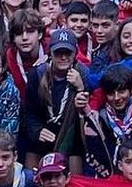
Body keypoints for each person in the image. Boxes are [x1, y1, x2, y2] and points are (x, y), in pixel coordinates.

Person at [22, 30, 86, 166]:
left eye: (68, 53)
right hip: (42, 135)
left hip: (71, 137)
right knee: (32, 179)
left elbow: (88, 110)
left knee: (75, 180)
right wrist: (37, 131)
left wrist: (80, 88)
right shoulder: (36, 75)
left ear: (75, 54)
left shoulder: (83, 73)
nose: (63, 57)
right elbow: (29, 112)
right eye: (58, 53)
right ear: (50, 53)